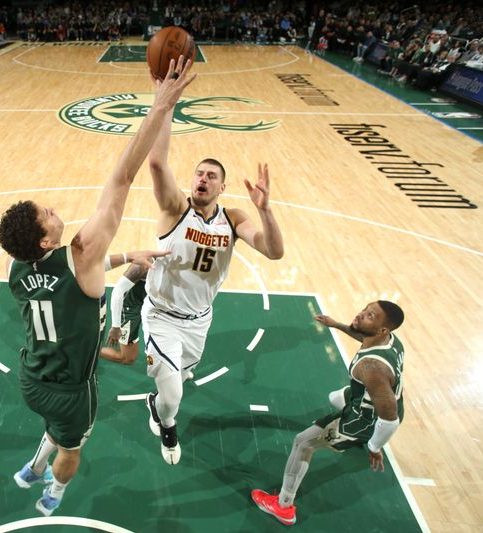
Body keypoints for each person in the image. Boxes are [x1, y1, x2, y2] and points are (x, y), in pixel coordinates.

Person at [0, 58, 195, 517]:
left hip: (32, 377)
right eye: (44, 214)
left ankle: (32, 465)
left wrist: (128, 256)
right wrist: (160, 106)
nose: (49, 208)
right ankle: (53, 492)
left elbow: (74, 279)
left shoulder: (18, 268)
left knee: (55, 427)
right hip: (70, 389)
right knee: (73, 448)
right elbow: (123, 175)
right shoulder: (81, 251)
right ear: (46, 240)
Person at [142, 103, 285, 464]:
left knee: (179, 379)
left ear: (223, 186)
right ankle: (168, 425)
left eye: (211, 176)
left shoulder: (233, 218)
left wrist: (266, 210)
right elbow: (157, 163)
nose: (202, 179)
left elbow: (273, 252)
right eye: (198, 174)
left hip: (199, 320)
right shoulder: (176, 208)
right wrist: (167, 106)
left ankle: (159, 402)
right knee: (172, 395)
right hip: (161, 316)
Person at [251, 301, 405, 526]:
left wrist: (374, 447)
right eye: (365, 309)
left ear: (383, 329)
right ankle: (362, 438)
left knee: (302, 443)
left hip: (364, 420)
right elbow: (364, 337)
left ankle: (283, 507)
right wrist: (337, 325)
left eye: (370, 316)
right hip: (379, 400)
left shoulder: (371, 367)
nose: (361, 315)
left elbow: (389, 418)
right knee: (335, 397)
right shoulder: (390, 341)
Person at [99, 264, 147, 365]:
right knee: (128, 358)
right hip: (130, 308)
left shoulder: (182, 265)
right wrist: (116, 326)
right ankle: (87, 351)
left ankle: (181, 370)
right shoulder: (143, 265)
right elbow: (117, 292)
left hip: (148, 305)